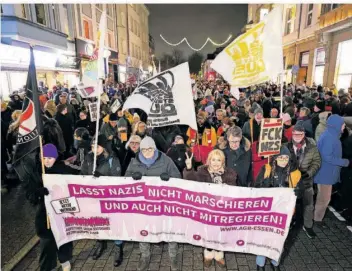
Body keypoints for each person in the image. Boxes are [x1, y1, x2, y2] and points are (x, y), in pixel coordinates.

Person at [125, 136, 181, 271]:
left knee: (169, 229)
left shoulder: (166, 160)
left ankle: (173, 256)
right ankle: (145, 255)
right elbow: (125, 180)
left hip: (164, 203)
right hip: (143, 205)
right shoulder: (134, 162)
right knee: (143, 228)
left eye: (150, 149)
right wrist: (133, 178)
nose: (147, 152)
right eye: (144, 150)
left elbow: (178, 178)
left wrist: (169, 179)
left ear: (154, 148)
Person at [183, 149, 237, 268]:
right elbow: (191, 181)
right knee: (207, 232)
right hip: (206, 210)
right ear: (209, 161)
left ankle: (219, 255)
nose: (216, 163)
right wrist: (188, 168)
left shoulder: (230, 174)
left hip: (222, 210)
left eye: (219, 160)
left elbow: (233, 192)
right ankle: (208, 254)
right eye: (213, 160)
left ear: (223, 162)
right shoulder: (202, 172)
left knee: (220, 233)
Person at [255, 146, 301, 271]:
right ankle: (260, 263)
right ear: (275, 158)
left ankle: (275, 262)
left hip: (284, 213)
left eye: (286, 157)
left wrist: (297, 191)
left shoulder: (295, 173)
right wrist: (263, 184)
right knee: (263, 238)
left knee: (280, 239)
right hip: (267, 211)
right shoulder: (266, 169)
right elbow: (255, 188)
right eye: (280, 157)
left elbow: (301, 192)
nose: (283, 160)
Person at [81, 135, 123, 266]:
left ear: (103, 146)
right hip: (93, 198)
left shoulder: (112, 159)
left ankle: (118, 247)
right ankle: (100, 243)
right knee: (97, 221)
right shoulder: (88, 159)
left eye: (97, 146)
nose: (95, 149)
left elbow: (117, 178)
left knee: (114, 223)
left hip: (109, 198)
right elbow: (81, 175)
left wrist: (102, 177)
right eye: (92, 146)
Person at [37, 144, 79, 271]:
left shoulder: (63, 169)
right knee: (47, 241)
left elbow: (80, 178)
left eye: (50, 157)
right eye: (44, 158)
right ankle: (47, 266)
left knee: (64, 236)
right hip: (45, 214)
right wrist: (37, 192)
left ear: (55, 157)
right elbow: (29, 194)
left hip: (62, 211)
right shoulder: (37, 172)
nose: (47, 161)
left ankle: (64, 259)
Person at [314, 115, 350, 228]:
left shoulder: (331, 135)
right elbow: (327, 157)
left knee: (322, 197)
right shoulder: (330, 137)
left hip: (327, 172)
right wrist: (345, 162)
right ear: (336, 125)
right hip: (325, 173)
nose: (344, 126)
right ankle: (317, 220)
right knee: (324, 198)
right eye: (343, 124)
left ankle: (316, 216)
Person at [286, 123, 321, 238]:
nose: (297, 136)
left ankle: (308, 226)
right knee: (290, 205)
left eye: (300, 134)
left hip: (306, 181)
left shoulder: (312, 147)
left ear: (304, 134)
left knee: (308, 204)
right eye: (295, 134)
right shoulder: (286, 147)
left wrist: (309, 173)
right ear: (292, 134)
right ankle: (289, 224)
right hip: (291, 182)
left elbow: (317, 162)